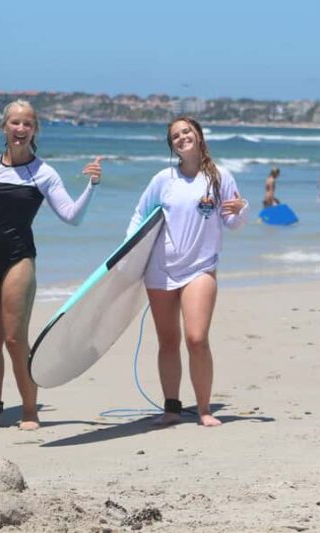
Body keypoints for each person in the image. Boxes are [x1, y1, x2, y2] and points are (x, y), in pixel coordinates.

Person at [0, 100, 103, 431]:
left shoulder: (44, 173)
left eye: (27, 124)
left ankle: (30, 410)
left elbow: (72, 217)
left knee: (15, 339)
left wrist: (91, 186)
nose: (20, 129)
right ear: (3, 127)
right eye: (14, 123)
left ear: (35, 130)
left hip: (19, 256)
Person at [127, 116, 248, 427]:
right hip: (160, 270)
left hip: (200, 268)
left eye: (186, 132)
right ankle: (172, 407)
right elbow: (140, 215)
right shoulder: (163, 180)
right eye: (176, 136)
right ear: (173, 146)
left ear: (198, 135)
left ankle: (204, 409)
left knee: (196, 339)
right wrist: (127, 255)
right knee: (168, 341)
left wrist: (241, 212)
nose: (182, 138)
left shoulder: (220, 177)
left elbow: (233, 223)